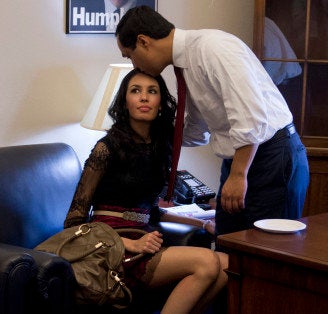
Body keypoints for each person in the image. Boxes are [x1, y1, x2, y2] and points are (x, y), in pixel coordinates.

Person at [115, 6, 310, 239]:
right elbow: (197, 130)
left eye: (130, 55)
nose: (135, 66)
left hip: (270, 158)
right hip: (242, 158)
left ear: (144, 41)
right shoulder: (186, 64)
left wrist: (238, 175)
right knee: (227, 242)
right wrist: (144, 133)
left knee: (265, 254)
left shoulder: (213, 49)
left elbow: (250, 116)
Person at [63, 68, 227, 314]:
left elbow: (152, 212)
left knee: (226, 266)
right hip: (112, 246)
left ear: (160, 102)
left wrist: (202, 225)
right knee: (207, 262)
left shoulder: (162, 146)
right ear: (124, 102)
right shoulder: (106, 148)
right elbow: (74, 223)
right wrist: (130, 244)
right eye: (135, 91)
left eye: (152, 91)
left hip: (146, 237)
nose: (143, 97)